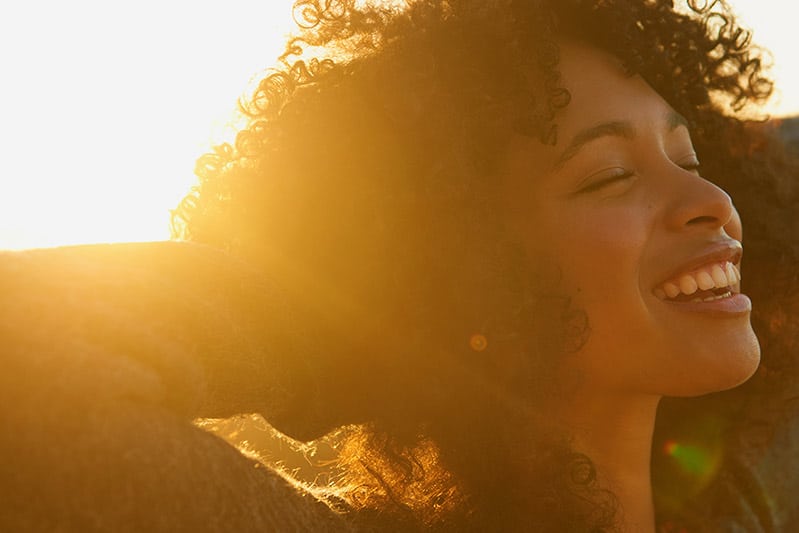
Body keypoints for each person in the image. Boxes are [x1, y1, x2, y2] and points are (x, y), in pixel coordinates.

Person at [3, 0, 798, 531]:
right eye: (608, 175)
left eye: (687, 153)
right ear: (471, 268)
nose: (709, 200)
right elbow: (26, 371)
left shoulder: (736, 504)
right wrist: (386, 326)